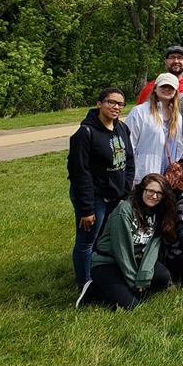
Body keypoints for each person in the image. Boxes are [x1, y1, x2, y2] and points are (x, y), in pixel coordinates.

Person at [68, 87, 135, 288]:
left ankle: (103, 275)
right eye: (111, 102)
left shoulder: (122, 129)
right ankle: (85, 283)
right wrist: (87, 209)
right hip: (93, 197)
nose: (116, 107)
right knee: (87, 241)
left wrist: (124, 191)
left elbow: (129, 161)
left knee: (106, 240)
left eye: (120, 104)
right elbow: (80, 173)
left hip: (116, 196)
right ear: (100, 103)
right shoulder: (85, 133)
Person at [80, 174, 176, 309]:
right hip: (108, 262)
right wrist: (134, 282)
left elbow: (152, 248)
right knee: (132, 305)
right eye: (150, 191)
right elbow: (122, 250)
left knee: (163, 276)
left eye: (159, 193)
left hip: (135, 260)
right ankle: (93, 291)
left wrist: (144, 276)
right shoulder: (124, 211)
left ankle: (120, 287)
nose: (154, 196)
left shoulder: (159, 213)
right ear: (142, 190)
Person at [126, 72, 183, 187]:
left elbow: (179, 145)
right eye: (163, 86)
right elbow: (129, 145)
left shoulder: (177, 116)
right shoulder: (140, 112)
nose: (167, 89)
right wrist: (131, 174)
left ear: (176, 91)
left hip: (167, 175)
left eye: (171, 87)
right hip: (145, 172)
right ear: (155, 89)